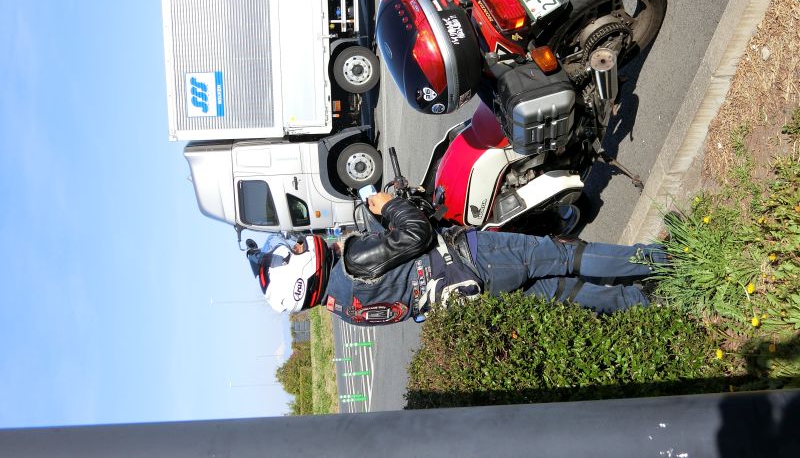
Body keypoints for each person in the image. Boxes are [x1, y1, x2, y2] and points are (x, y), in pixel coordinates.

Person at [247, 192, 669, 326]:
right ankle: (660, 260)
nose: (300, 245)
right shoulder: (354, 260)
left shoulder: (344, 308)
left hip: (474, 292)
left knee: (563, 291)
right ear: (300, 274)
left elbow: (396, 275)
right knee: (567, 256)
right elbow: (416, 233)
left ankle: (645, 301)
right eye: (294, 251)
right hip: (477, 259)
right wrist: (389, 204)